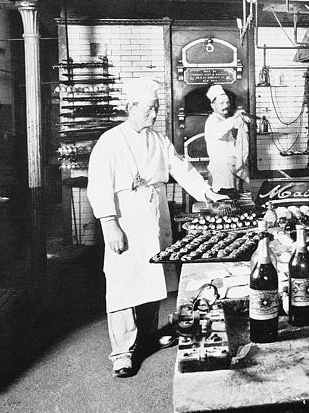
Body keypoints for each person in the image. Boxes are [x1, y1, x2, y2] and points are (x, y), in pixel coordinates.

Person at [88, 77, 227, 378]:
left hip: (154, 214)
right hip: (125, 217)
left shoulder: (159, 140)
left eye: (156, 108)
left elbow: (183, 170)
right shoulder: (110, 142)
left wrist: (207, 193)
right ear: (131, 108)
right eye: (149, 109)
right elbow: (98, 187)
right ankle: (122, 352)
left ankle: (147, 338)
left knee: (153, 279)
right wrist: (110, 224)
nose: (154, 114)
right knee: (123, 284)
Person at [203, 84, 250, 191]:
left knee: (233, 199)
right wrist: (236, 117)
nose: (226, 105)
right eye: (222, 103)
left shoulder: (224, 120)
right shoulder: (212, 121)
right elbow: (220, 131)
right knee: (223, 199)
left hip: (230, 167)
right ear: (213, 106)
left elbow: (233, 128)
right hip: (221, 169)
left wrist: (241, 121)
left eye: (227, 102)